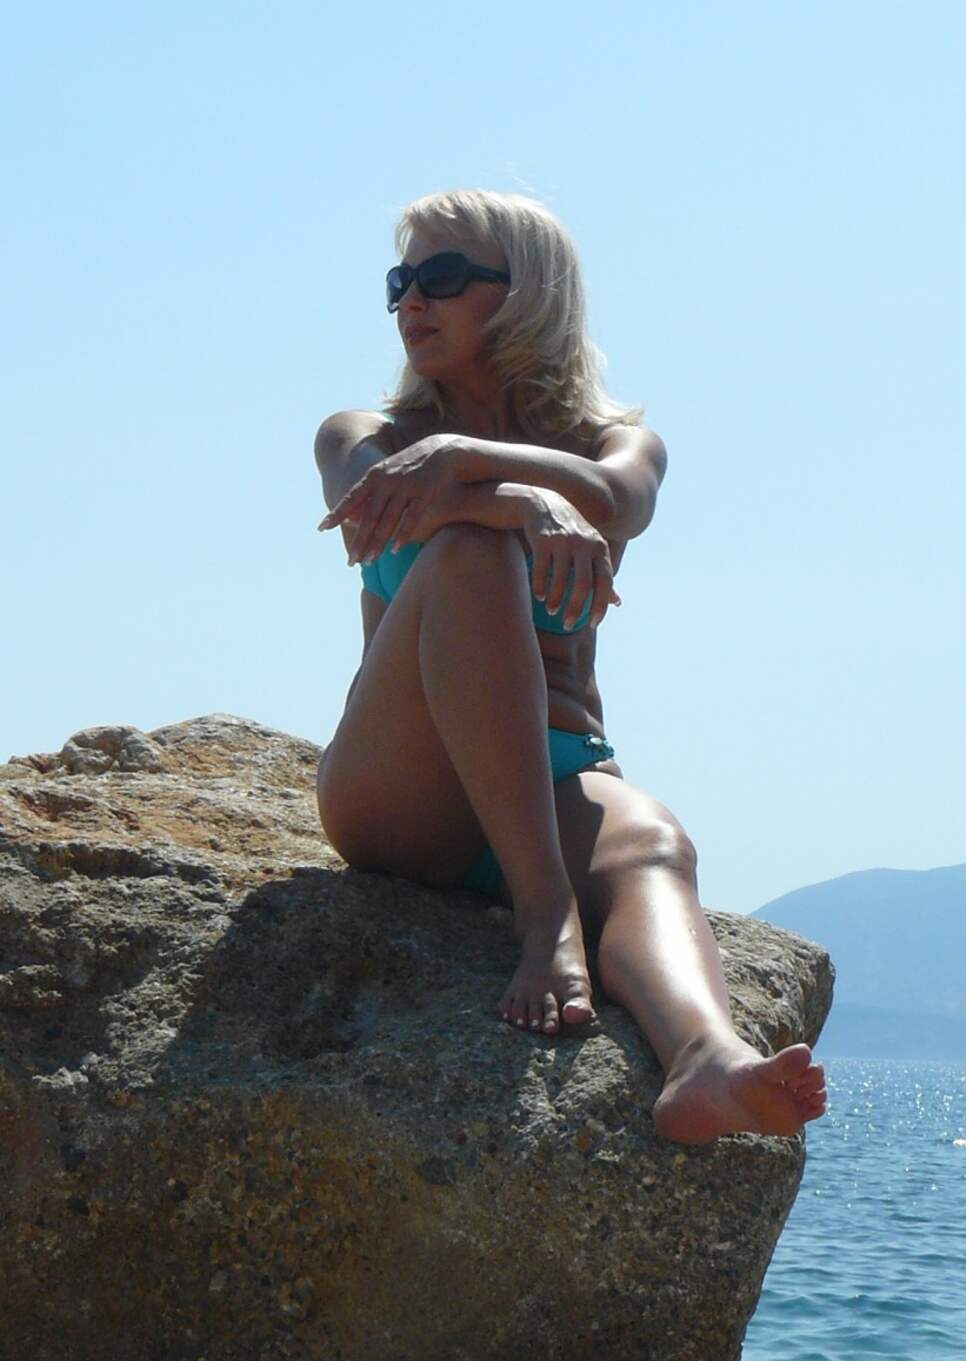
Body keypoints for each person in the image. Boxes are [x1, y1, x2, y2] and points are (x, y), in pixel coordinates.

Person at [314, 189, 826, 1143]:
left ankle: (705, 1060)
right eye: (400, 281)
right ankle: (546, 915)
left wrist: (470, 459)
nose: (411, 300)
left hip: (556, 773)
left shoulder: (611, 443)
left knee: (655, 842)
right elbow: (374, 513)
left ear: (529, 292)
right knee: (471, 554)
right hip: (404, 790)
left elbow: (619, 500)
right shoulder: (363, 436)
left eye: (441, 276)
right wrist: (524, 505)